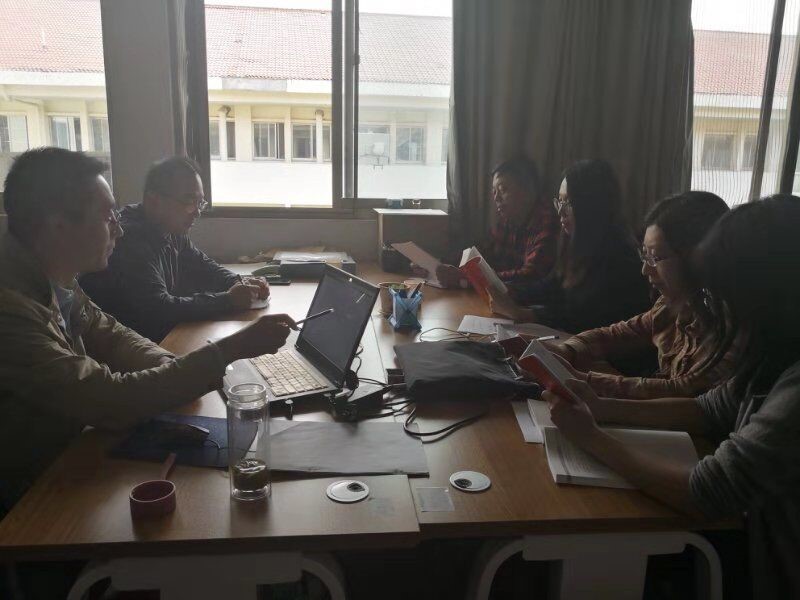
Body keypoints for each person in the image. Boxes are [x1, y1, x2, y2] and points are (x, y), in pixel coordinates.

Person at [0, 148, 294, 519]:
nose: (118, 228)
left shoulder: (58, 280)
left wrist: (173, 368)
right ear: (58, 225)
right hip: (28, 499)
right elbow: (109, 401)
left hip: (70, 458)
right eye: (107, 217)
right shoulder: (10, 311)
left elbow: (112, 335)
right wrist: (226, 352)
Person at [542, 195, 800, 599]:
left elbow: (708, 491)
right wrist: (603, 407)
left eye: (727, 293)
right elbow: (707, 409)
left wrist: (592, 437)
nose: (716, 304)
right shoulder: (774, 352)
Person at [550, 191, 741, 399]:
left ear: (697, 259)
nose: (645, 270)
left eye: (655, 257)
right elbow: (615, 335)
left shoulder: (731, 328)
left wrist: (583, 381)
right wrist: (566, 350)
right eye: (644, 255)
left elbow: (684, 392)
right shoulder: (670, 307)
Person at [80, 156, 269, 342]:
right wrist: (228, 300)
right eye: (189, 201)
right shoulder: (130, 239)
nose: (197, 212)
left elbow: (204, 266)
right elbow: (159, 308)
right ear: (154, 201)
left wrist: (240, 282)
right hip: (124, 347)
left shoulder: (172, 229)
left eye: (200, 203)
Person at [491, 159, 651, 333]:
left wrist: (526, 314)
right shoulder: (576, 242)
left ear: (591, 206)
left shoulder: (621, 257)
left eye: (568, 203)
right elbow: (553, 285)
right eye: (559, 201)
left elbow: (584, 316)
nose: (560, 211)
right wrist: (512, 292)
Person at [434, 156, 559, 287]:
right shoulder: (508, 218)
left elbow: (529, 275)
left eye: (503, 190)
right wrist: (442, 265)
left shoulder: (547, 221)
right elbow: (483, 252)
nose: (496, 198)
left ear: (527, 191)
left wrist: (467, 278)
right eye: (494, 191)